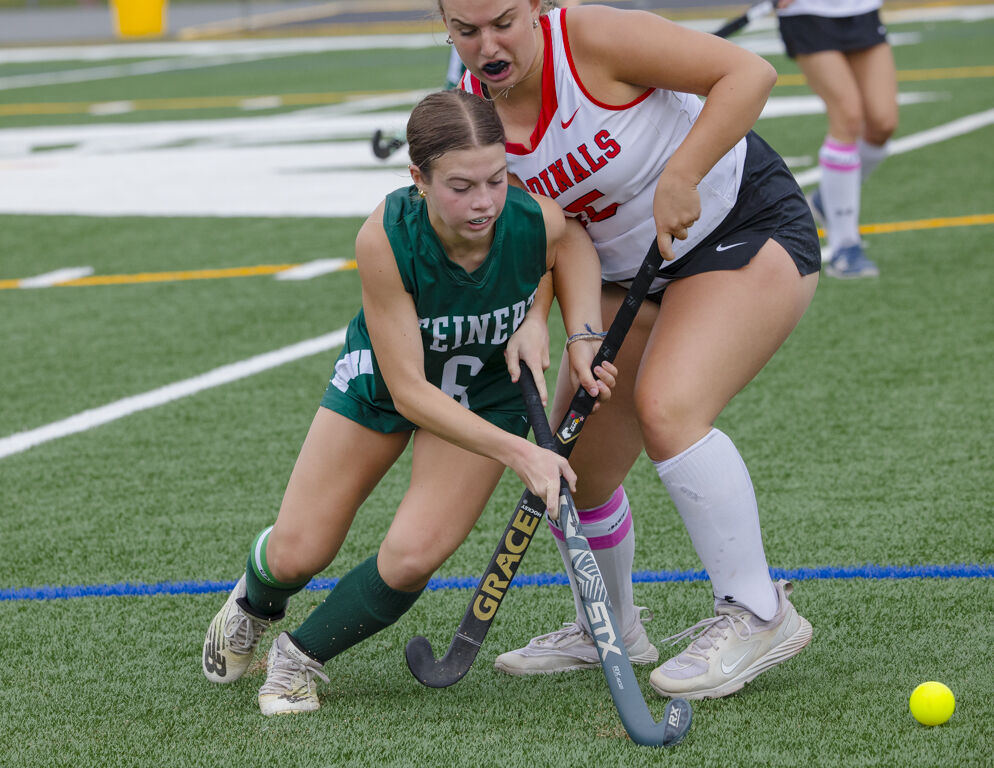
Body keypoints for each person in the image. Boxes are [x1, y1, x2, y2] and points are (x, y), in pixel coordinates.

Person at [442, 0, 821, 700]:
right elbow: (550, 232)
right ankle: (608, 625)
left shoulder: (590, 37)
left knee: (668, 407)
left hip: (738, 223)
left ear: (534, 8)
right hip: (623, 275)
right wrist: (558, 323)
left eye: (501, 21)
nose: (486, 44)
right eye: (466, 31)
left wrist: (683, 172)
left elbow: (748, 73)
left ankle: (760, 611)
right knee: (572, 466)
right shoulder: (473, 115)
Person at [201, 88, 617, 716]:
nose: (484, 203)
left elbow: (572, 246)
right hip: (392, 381)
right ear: (418, 178)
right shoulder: (385, 238)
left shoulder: (529, 218)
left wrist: (566, 327)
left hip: (484, 389)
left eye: (496, 180)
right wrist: (523, 455)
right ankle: (256, 601)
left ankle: (298, 658)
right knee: (297, 552)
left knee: (416, 552)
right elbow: (411, 394)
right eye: (460, 186)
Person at [776, 0, 899, 278]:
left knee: (883, 124)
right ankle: (845, 248)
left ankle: (823, 202)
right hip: (808, 13)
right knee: (848, 117)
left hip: (861, 9)